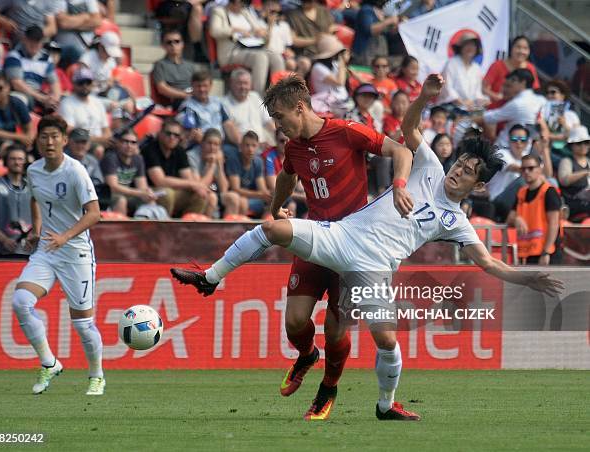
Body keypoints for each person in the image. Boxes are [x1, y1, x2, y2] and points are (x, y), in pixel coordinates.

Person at [170, 74, 564, 421]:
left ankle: (385, 404)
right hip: (341, 234)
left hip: (374, 267)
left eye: (468, 173)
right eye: (461, 162)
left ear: (478, 187)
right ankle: (210, 277)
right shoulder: (429, 167)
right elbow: (407, 134)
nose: (459, 170)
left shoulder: (456, 222)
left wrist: (528, 279)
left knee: (386, 340)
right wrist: (424, 100)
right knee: (273, 228)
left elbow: (490, 264)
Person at [195, 74, 413, 420]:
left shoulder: (345, 131)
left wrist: (399, 185)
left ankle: (327, 389)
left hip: (353, 249)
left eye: (280, 117)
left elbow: (400, 150)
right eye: (274, 120)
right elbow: (288, 174)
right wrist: (275, 206)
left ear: (300, 107)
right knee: (295, 323)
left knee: (336, 328)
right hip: (315, 242)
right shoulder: (294, 146)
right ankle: (307, 355)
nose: (278, 126)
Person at [12, 114, 105, 395]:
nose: (49, 142)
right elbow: (35, 198)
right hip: (46, 251)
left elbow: (95, 214)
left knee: (83, 324)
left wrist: (65, 236)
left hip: (75, 254)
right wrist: (37, 230)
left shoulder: (75, 171)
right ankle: (49, 362)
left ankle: (97, 375)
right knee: (21, 301)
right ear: (37, 141)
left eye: (55, 136)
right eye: (44, 136)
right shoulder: (33, 171)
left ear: (64, 141)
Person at [209, 0, 284, 95]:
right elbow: (214, 31)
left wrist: (261, 31)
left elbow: (258, 30)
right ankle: (258, 97)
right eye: (241, 3)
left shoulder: (245, 12)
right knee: (260, 57)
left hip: (252, 47)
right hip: (232, 52)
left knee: (277, 57)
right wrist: (234, 30)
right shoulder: (219, 11)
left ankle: (278, 95)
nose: (243, 5)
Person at [140, 118, 209, 218]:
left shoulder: (179, 151)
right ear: (160, 133)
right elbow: (160, 181)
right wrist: (193, 184)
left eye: (176, 135)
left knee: (200, 195)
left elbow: (188, 178)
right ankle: (164, 228)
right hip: (150, 192)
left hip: (174, 191)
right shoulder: (150, 149)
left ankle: (188, 228)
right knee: (168, 193)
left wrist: (196, 186)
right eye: (168, 133)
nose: (172, 137)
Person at [506, 153, 562, 265]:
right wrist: (517, 219)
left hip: (547, 254)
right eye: (523, 169)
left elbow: (554, 224)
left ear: (539, 169)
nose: (526, 172)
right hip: (528, 253)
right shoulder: (521, 193)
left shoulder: (549, 192)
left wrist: (545, 253)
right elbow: (509, 219)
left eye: (531, 168)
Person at [0, 145, 32, 258]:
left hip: (28, 249)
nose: (17, 162)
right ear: (6, 161)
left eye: (20, 159)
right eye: (13, 159)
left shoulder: (32, 187)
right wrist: (4, 240)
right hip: (1, 248)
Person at [177, 70, 242, 154]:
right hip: (201, 147)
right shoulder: (187, 107)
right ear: (192, 85)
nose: (202, 89)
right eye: (198, 86)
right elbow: (197, 135)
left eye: (205, 86)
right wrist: (216, 149)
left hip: (220, 144)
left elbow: (228, 125)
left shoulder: (217, 102)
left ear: (210, 86)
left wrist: (241, 144)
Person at [478, 69, 546, 148]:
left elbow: (486, 118)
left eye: (509, 85)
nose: (503, 90)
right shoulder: (537, 100)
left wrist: (467, 118)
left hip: (506, 149)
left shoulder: (518, 104)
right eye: (504, 85)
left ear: (523, 83)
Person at [186, 128, 243, 219]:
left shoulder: (216, 156)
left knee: (233, 198)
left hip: (212, 192)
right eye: (209, 143)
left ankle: (228, 231)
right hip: (194, 194)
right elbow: (199, 186)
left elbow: (224, 189)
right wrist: (212, 166)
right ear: (202, 143)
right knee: (212, 197)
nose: (212, 147)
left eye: (216, 144)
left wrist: (219, 164)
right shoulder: (192, 156)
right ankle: (207, 232)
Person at [3, 25, 61, 111]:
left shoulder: (47, 59)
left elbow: (55, 83)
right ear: (24, 39)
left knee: (62, 102)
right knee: (27, 99)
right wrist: (41, 98)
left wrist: (55, 99)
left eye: (38, 41)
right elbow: (17, 84)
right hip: (17, 93)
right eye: (31, 40)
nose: (34, 44)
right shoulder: (14, 56)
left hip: (37, 94)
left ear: (42, 42)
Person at [101, 129, 156, 216]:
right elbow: (113, 187)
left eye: (133, 142)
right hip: (107, 195)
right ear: (118, 143)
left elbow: (142, 186)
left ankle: (148, 228)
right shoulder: (110, 158)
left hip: (127, 193)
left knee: (149, 199)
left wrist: (147, 193)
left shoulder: (138, 159)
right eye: (125, 142)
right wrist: (140, 193)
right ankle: (121, 229)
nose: (129, 145)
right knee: (121, 200)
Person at [58, 67, 111, 154]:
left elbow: (106, 130)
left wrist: (106, 140)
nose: (85, 86)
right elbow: (71, 132)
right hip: (78, 143)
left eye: (88, 82)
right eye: (81, 83)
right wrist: (99, 140)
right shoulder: (66, 103)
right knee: (99, 150)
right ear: (74, 84)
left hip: (99, 142)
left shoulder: (97, 102)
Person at [0, 71, 33, 149]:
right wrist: (21, 137)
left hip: (15, 140)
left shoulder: (17, 103)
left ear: (8, 87)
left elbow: (29, 128)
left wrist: (28, 140)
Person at [222, 68, 276, 146]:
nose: (243, 87)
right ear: (231, 83)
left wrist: (279, 136)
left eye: (246, 83)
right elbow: (234, 137)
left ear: (250, 85)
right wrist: (257, 146)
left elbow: (268, 122)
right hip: (242, 148)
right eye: (239, 83)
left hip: (263, 144)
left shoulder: (255, 97)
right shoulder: (224, 103)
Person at [483, 36, 540, 107]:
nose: (521, 51)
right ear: (512, 48)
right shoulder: (497, 65)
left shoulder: (530, 68)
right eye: (518, 47)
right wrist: (497, 97)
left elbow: (534, 91)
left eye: (525, 48)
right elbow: (484, 89)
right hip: (498, 108)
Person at [225, 130, 271, 218]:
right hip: (237, 197)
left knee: (274, 203)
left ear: (257, 147)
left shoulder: (258, 161)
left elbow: (262, 189)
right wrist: (259, 194)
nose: (250, 149)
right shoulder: (234, 160)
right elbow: (235, 189)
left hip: (252, 198)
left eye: (253, 146)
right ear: (241, 146)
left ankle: (265, 229)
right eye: (247, 145)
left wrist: (268, 196)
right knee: (242, 202)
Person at [438, 32, 488, 108]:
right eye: (467, 44)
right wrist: (461, 102)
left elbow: (477, 93)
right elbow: (447, 89)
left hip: (470, 108)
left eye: (473, 45)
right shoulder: (451, 63)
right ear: (460, 47)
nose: (470, 47)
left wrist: (483, 101)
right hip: (449, 106)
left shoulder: (476, 68)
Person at [151, 28, 194, 110]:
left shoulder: (190, 65)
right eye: (169, 42)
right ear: (163, 46)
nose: (173, 45)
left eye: (177, 41)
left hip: (192, 97)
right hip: (175, 101)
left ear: (182, 44)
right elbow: (162, 88)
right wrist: (184, 95)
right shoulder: (160, 65)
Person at [541, 79, 581, 165]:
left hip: (566, 153)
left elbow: (578, 136)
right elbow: (540, 133)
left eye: (553, 92)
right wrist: (563, 136)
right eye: (547, 93)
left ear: (563, 95)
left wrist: (564, 124)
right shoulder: (541, 112)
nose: (549, 95)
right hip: (545, 151)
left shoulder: (572, 115)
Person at [55, 0, 102, 68]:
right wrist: (85, 17)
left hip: (84, 52)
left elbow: (96, 22)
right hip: (61, 52)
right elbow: (63, 23)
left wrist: (70, 23)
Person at [351, 0, 399, 66]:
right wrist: (389, 21)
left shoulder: (385, 13)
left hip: (381, 51)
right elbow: (370, 30)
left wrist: (396, 27)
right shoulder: (366, 10)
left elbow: (388, 33)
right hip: (365, 53)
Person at [0, 0, 64, 43]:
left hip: (39, 42)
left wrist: (33, 35)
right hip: (17, 43)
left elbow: (52, 28)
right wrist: (4, 21)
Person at [558, 126, 590, 222]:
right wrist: (584, 173)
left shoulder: (589, 161)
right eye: (579, 143)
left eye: (586, 143)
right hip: (572, 202)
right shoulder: (566, 161)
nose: (583, 146)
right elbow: (564, 180)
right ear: (571, 145)